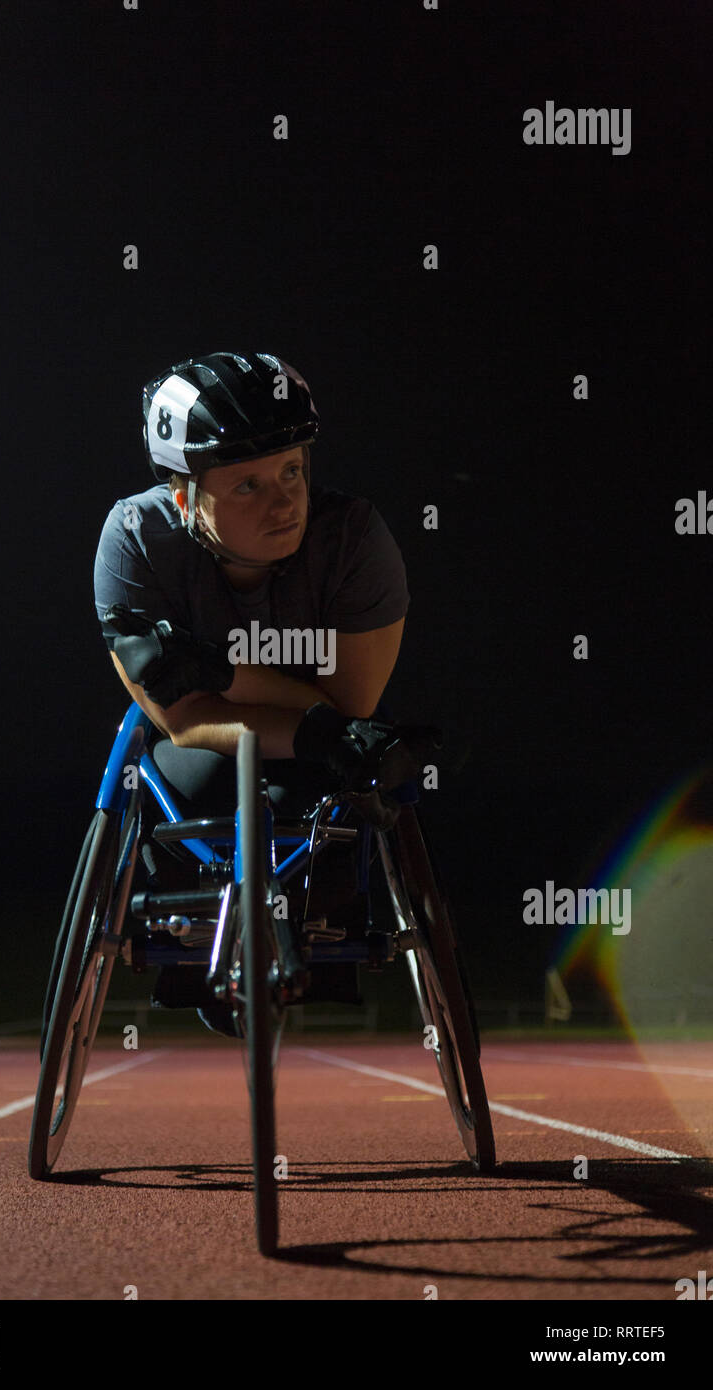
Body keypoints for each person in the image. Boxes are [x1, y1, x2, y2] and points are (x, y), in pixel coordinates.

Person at [93, 350, 426, 1033]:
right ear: (185, 498)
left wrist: (218, 672)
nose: (284, 502)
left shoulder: (354, 539)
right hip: (207, 756)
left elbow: (351, 705)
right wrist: (297, 714)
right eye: (247, 485)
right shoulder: (134, 539)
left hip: (324, 758)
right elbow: (183, 720)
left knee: (348, 776)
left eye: (292, 471)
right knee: (177, 767)